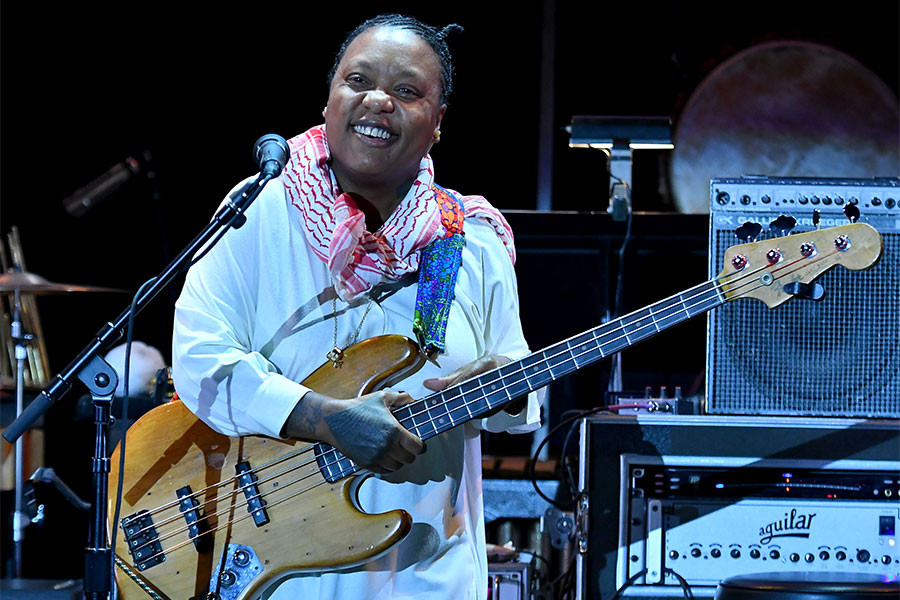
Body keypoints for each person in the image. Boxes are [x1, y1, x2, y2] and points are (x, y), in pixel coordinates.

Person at [172, 13, 541, 600]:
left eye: (406, 91)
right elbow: (199, 359)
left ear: (438, 123)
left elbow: (519, 396)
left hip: (425, 575)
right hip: (277, 575)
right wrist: (324, 417)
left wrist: (510, 387)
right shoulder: (259, 210)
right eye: (358, 81)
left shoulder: (470, 240)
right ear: (328, 101)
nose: (378, 101)